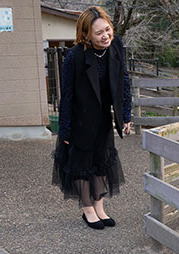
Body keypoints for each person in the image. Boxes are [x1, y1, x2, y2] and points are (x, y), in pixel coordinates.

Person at [52, 6, 132, 230]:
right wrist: (65, 129)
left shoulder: (116, 46)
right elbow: (66, 95)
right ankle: (88, 211)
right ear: (86, 34)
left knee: (100, 163)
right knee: (80, 165)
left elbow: (124, 81)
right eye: (99, 33)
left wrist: (126, 114)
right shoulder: (74, 57)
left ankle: (100, 208)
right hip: (80, 119)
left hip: (103, 118)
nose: (105, 35)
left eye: (108, 29)